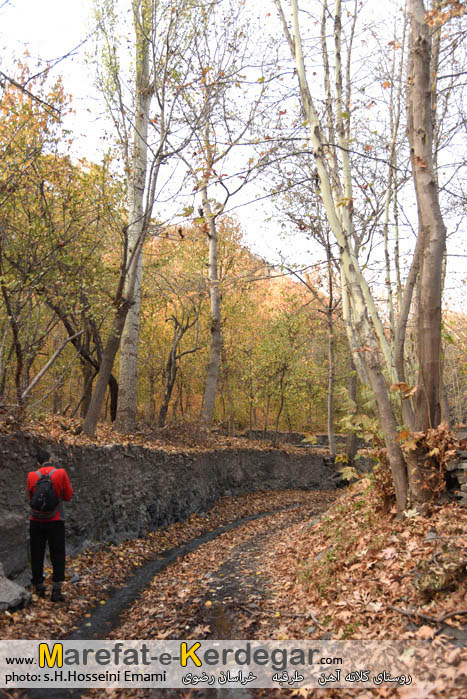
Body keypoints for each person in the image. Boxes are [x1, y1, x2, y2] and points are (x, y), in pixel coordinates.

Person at [27, 449, 73, 602]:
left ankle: (39, 588)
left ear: (38, 463)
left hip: (36, 521)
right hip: (56, 520)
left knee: (36, 554)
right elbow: (68, 496)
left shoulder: (32, 476)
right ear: (51, 460)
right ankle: (56, 591)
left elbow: (31, 498)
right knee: (57, 554)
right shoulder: (60, 473)